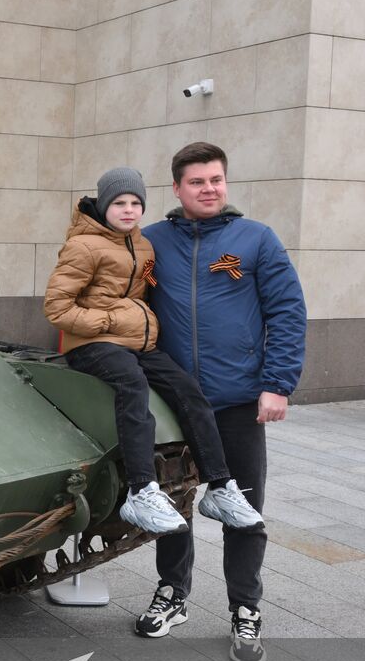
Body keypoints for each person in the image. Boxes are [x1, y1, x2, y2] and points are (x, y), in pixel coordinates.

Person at [140, 143, 306, 661]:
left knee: (243, 510)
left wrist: (277, 383)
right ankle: (173, 593)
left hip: (236, 402)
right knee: (172, 507)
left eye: (216, 179)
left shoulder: (255, 239)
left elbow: (287, 312)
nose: (209, 189)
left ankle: (245, 609)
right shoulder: (150, 244)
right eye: (197, 182)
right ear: (176, 189)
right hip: (174, 405)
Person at [43, 166, 265, 544]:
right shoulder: (82, 245)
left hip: (138, 342)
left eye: (135, 203)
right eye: (119, 202)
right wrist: (110, 321)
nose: (128, 210)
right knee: (133, 387)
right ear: (102, 204)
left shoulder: (141, 243)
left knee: (188, 391)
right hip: (92, 344)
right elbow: (57, 308)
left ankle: (220, 485)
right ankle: (141, 491)